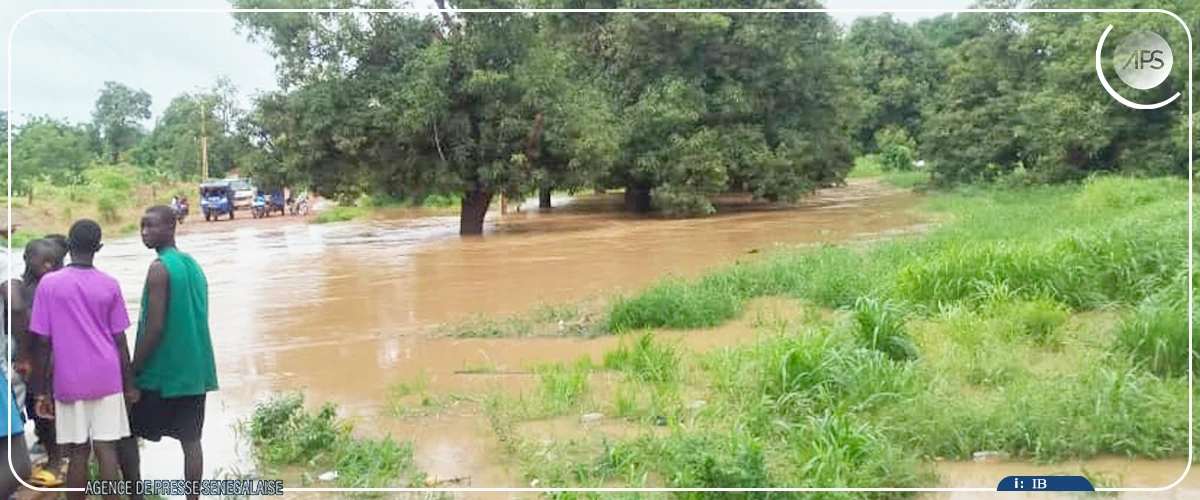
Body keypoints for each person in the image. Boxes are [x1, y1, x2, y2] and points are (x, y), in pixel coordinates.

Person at [30, 219, 136, 500]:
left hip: (69, 378)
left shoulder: (49, 285)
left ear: (68, 244)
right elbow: (120, 340)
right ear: (99, 247)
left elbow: (42, 341)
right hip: (108, 376)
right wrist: (130, 384)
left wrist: (40, 390)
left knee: (77, 452)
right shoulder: (110, 284)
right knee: (106, 449)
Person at [128, 206, 217, 500]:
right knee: (191, 440)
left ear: (170, 227)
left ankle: (133, 493)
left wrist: (133, 368)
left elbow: (154, 327)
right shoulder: (192, 264)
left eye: (150, 226)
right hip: (194, 370)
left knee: (125, 432)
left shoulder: (159, 267)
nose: (144, 232)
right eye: (141, 226)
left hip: (162, 373)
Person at [12, 240, 65, 487]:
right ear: (26, 259)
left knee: (45, 413)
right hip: (30, 360)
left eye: (52, 263)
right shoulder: (22, 286)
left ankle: (55, 462)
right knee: (34, 411)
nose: (48, 266)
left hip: (44, 360)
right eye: (43, 261)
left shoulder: (48, 288)